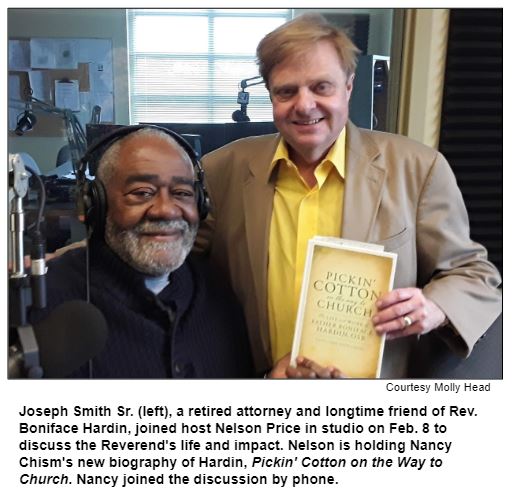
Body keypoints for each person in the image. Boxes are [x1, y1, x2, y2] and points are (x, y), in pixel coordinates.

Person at [195, 13, 502, 378]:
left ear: (349, 87)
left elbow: (475, 273)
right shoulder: (221, 169)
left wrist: (434, 306)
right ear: (271, 95)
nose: (304, 105)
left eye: (321, 87)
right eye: (286, 91)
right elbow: (184, 279)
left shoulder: (418, 168)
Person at [30, 126, 254, 378]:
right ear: (95, 204)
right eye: (142, 193)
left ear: (200, 204)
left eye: (182, 193)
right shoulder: (40, 299)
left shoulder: (217, 291)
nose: (166, 210)